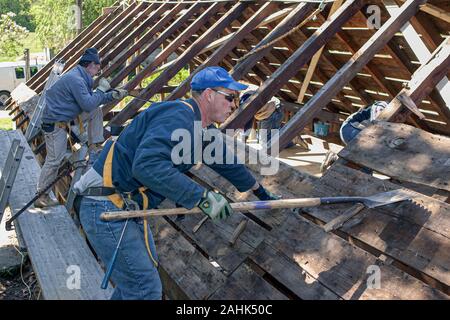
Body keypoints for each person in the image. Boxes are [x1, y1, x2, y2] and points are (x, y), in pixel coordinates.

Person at [73, 66, 280, 300]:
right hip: (103, 203)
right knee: (144, 287)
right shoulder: (178, 117)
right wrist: (202, 198)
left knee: (134, 285)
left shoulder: (199, 128)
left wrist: (260, 192)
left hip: (121, 205)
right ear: (209, 95)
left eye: (236, 100)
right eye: (230, 97)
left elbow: (228, 164)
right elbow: (147, 165)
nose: (234, 105)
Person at [34, 48, 128, 208]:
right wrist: (101, 90)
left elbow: (91, 101)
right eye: (98, 66)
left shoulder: (79, 76)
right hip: (55, 124)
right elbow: (88, 103)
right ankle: (40, 196)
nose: (99, 69)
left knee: (95, 110)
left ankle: (94, 147)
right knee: (54, 160)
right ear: (91, 64)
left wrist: (110, 96)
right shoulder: (76, 79)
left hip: (66, 119)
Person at [320, 101, 388, 173]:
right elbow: (377, 127)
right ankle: (363, 174)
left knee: (363, 159)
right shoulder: (382, 106)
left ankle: (336, 159)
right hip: (350, 129)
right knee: (369, 152)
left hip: (352, 130)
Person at [238, 84, 294, 148]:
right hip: (269, 112)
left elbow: (248, 119)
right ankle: (284, 132)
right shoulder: (244, 89)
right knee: (262, 138)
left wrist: (243, 139)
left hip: (273, 112)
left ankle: (292, 138)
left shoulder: (245, 98)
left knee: (266, 143)